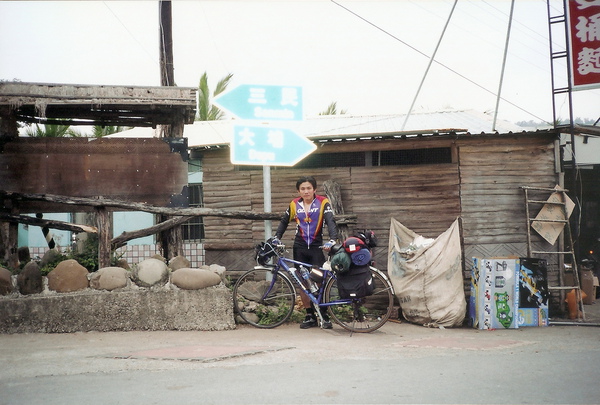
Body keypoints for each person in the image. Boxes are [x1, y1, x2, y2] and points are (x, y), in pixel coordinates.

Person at [274, 175, 338, 329]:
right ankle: (310, 315)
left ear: (314, 189)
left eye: (309, 188)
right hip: (300, 247)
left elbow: (330, 221)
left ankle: (323, 314)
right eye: (303, 188)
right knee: (302, 283)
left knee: (318, 279)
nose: (306, 191)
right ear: (299, 191)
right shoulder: (294, 204)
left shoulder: (323, 202)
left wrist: (333, 239)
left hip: (316, 247)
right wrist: (276, 237)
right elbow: (284, 221)